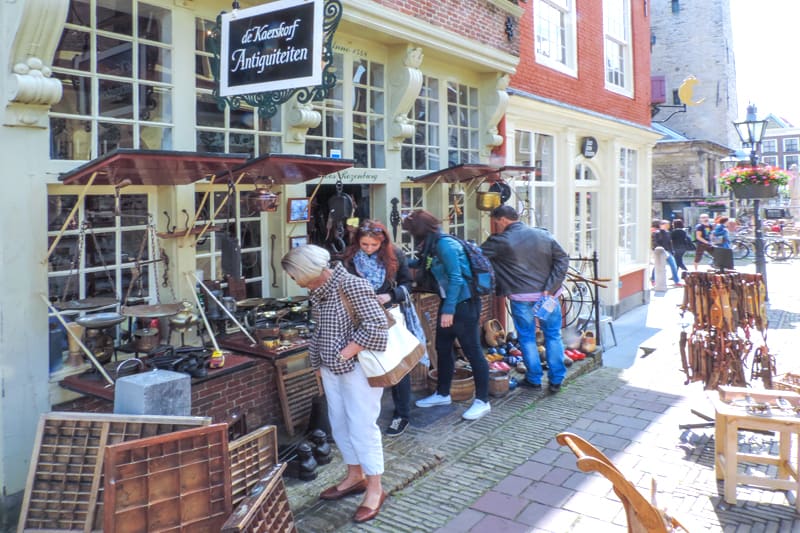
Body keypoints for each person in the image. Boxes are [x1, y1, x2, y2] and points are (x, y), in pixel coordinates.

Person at [281, 245, 389, 523]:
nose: (293, 280)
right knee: (339, 424)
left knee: (363, 425)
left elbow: (377, 323)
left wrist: (345, 353)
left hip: (357, 370)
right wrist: (319, 364)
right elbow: (320, 330)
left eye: (294, 275)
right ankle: (355, 476)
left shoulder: (351, 285)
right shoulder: (319, 292)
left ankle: (376, 488)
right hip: (332, 369)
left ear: (306, 272)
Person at [401, 209, 491, 421]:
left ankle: (483, 401)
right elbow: (423, 265)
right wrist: (396, 260)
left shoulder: (445, 245)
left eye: (412, 232)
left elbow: (456, 278)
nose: (411, 237)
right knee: (443, 347)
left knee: (473, 351)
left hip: (464, 304)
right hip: (449, 301)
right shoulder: (432, 244)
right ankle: (442, 394)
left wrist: (449, 310)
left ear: (420, 230)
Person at [480, 205, 569, 393]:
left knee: (527, 337)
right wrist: (550, 287)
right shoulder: (544, 235)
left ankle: (534, 379)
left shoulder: (501, 241)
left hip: (521, 297)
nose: (497, 226)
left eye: (497, 222)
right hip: (549, 296)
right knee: (553, 335)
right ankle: (556, 380)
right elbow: (562, 260)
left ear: (503, 220)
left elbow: (476, 256)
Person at [342, 219, 414, 437]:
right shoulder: (349, 259)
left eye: (374, 245)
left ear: (382, 243)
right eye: (365, 245)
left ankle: (402, 414)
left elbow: (408, 285)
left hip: (388, 315)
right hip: (357, 318)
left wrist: (391, 295)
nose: (369, 249)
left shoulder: (395, 256)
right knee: (365, 367)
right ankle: (364, 415)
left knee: (395, 364)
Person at [650, 219, 681, 285]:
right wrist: (659, 249)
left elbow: (670, 243)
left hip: (668, 251)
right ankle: (653, 279)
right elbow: (655, 242)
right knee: (657, 265)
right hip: (660, 252)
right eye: (665, 225)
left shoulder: (668, 232)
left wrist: (672, 251)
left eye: (668, 225)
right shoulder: (656, 233)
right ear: (661, 225)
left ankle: (676, 281)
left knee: (673, 265)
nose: (667, 226)